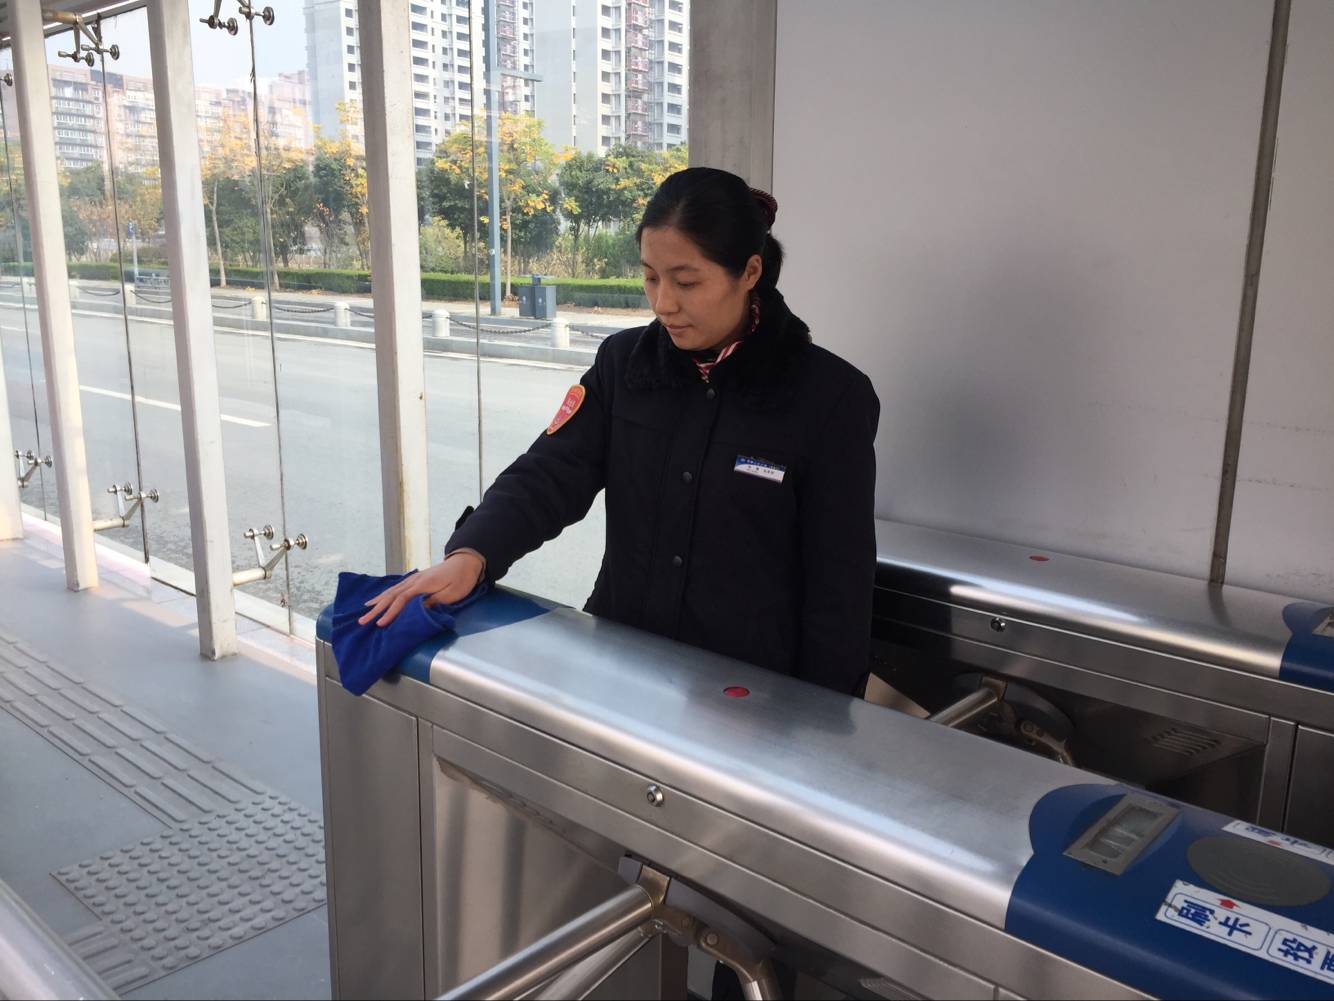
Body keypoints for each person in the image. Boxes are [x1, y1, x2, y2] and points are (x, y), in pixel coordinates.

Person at [360, 166, 880, 698]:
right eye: (651, 277)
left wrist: (819, 717)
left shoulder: (830, 398)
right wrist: (472, 554)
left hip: (746, 698)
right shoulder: (623, 365)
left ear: (749, 272)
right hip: (622, 668)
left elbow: (839, 583)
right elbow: (549, 474)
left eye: (687, 282)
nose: (663, 303)